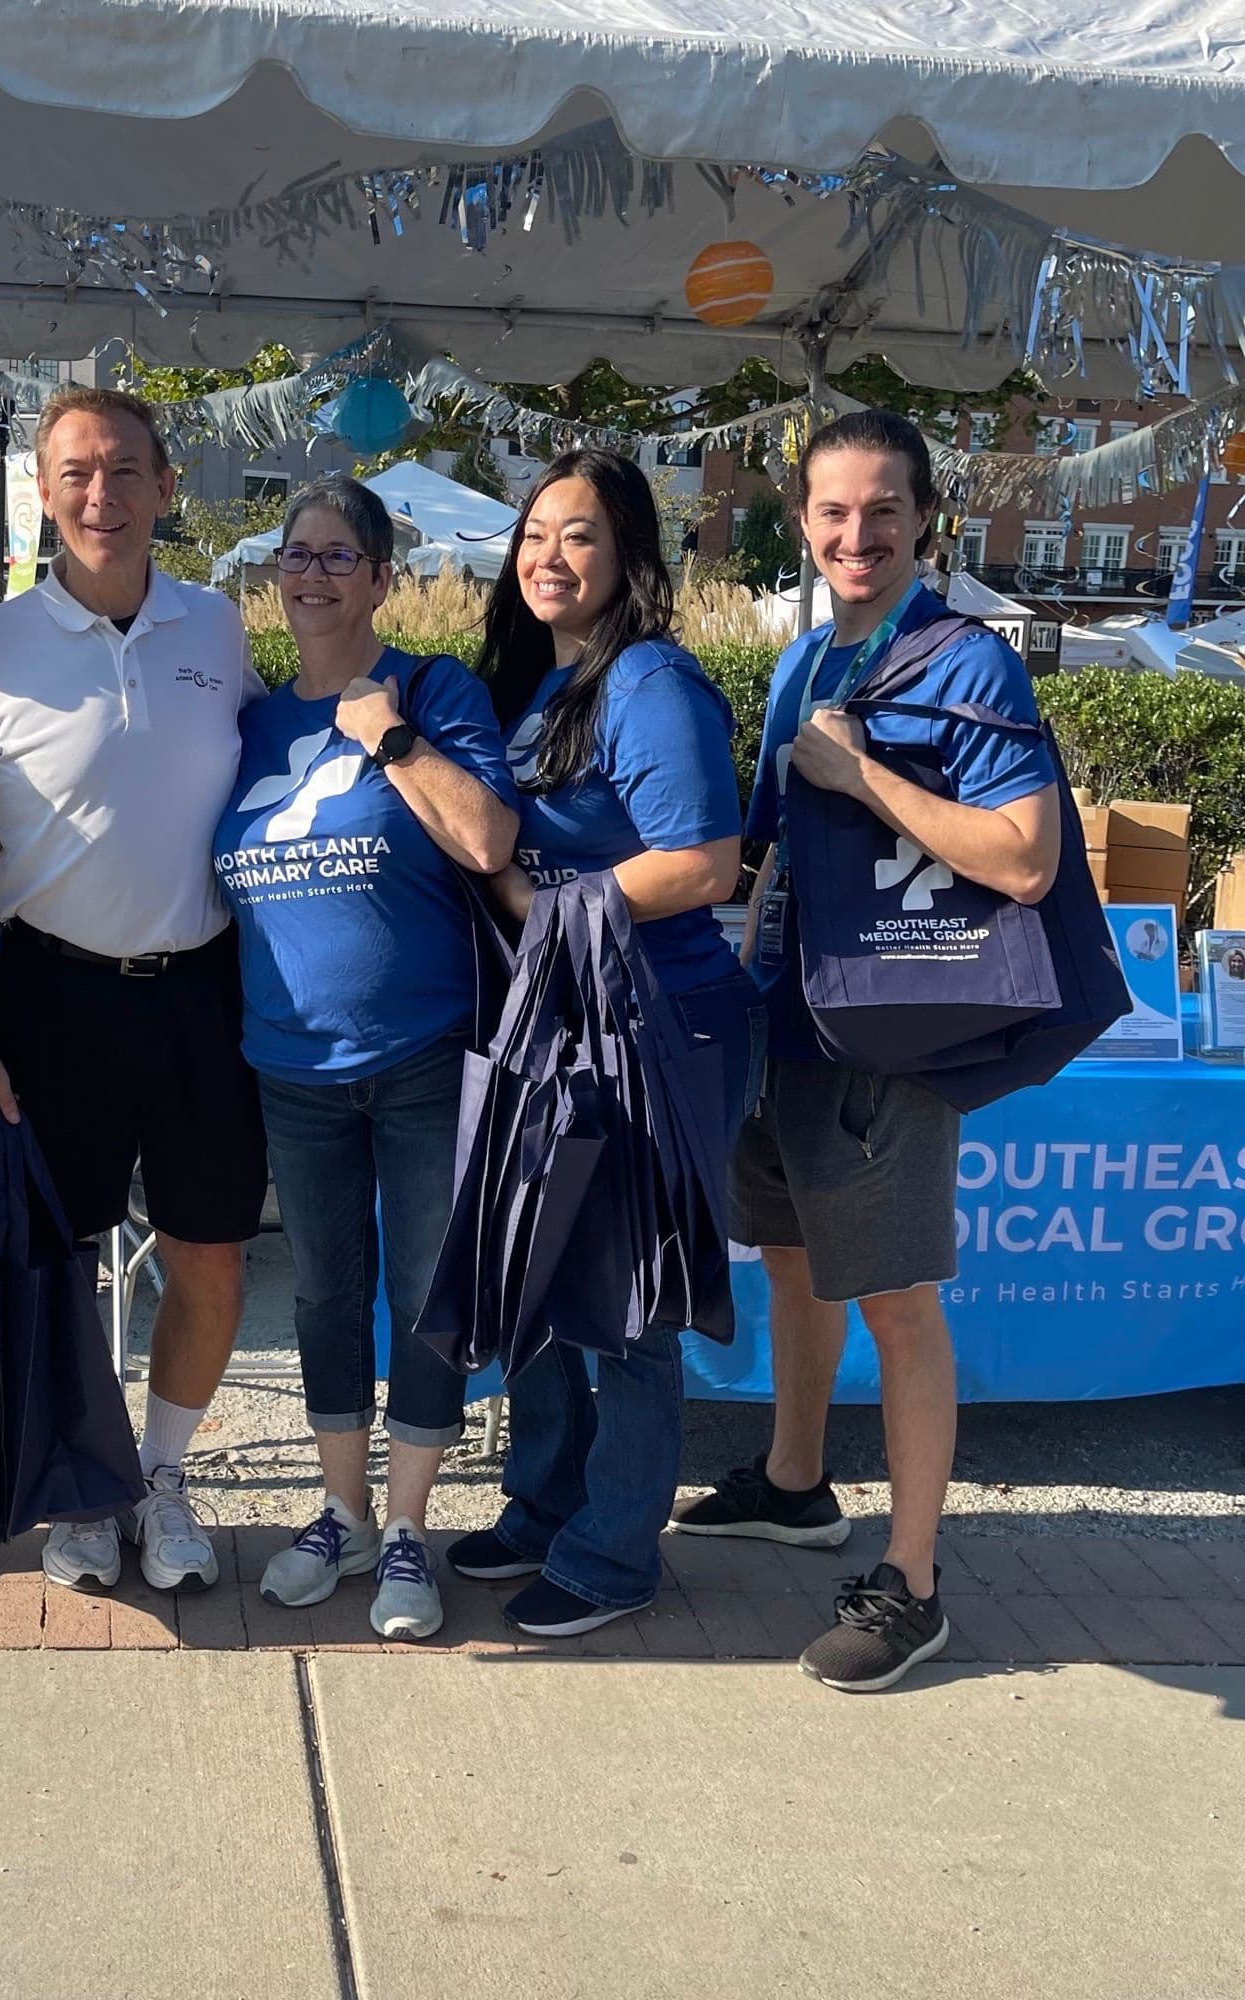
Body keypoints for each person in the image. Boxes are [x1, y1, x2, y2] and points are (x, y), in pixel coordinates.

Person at [675, 408, 1061, 1692]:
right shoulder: (800, 662)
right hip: (791, 1011)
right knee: (789, 1255)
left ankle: (911, 1579)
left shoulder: (967, 664)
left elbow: (1022, 857)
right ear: (801, 522)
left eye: (881, 509)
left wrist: (863, 778)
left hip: (896, 1031)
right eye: (832, 512)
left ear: (924, 518)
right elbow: (774, 848)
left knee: (896, 1300)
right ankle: (794, 1480)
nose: (857, 533)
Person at [0, 386, 268, 1598]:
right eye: (75, 471)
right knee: (55, 1259)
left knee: (213, 1253)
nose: (101, 495)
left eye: (125, 470)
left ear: (165, 487)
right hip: (50, 1000)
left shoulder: (217, 631)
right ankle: (82, 1481)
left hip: (200, 998)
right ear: (40, 489)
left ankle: (164, 1475)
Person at [440, 449, 761, 1639]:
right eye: (533, 535)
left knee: (626, 1301)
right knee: (539, 1273)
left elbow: (701, 864)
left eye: (577, 535)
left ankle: (615, 1548)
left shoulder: (649, 681)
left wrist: (537, 904)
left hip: (658, 1023)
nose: (547, 557)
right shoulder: (543, 680)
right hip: (562, 1019)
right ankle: (546, 1501)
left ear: (628, 552)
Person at [214, 473, 519, 1641]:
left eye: (341, 555)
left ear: (383, 578)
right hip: (289, 1063)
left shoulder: (434, 693)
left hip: (421, 1053)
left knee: (423, 1291)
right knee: (327, 1289)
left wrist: (384, 733)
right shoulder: (245, 720)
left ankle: (405, 1529)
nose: (313, 573)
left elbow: (489, 836)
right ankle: (337, 1507)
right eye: (297, 553)